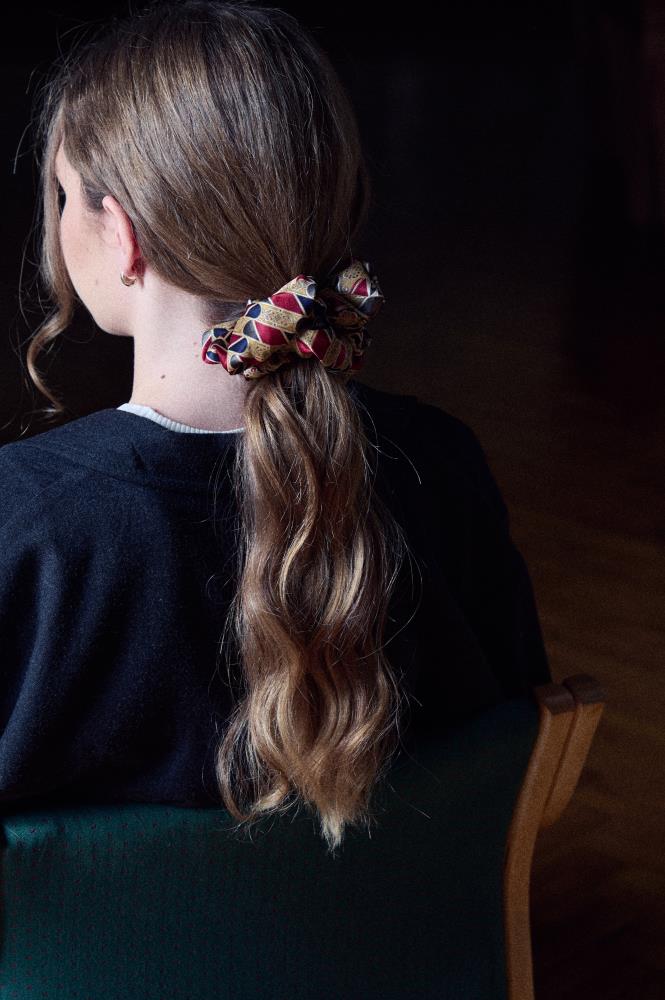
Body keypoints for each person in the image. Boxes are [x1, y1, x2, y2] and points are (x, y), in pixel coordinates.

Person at [0, 0, 551, 856]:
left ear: (123, 236)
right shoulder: (443, 468)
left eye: (66, 195)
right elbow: (501, 770)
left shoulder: (25, 526)